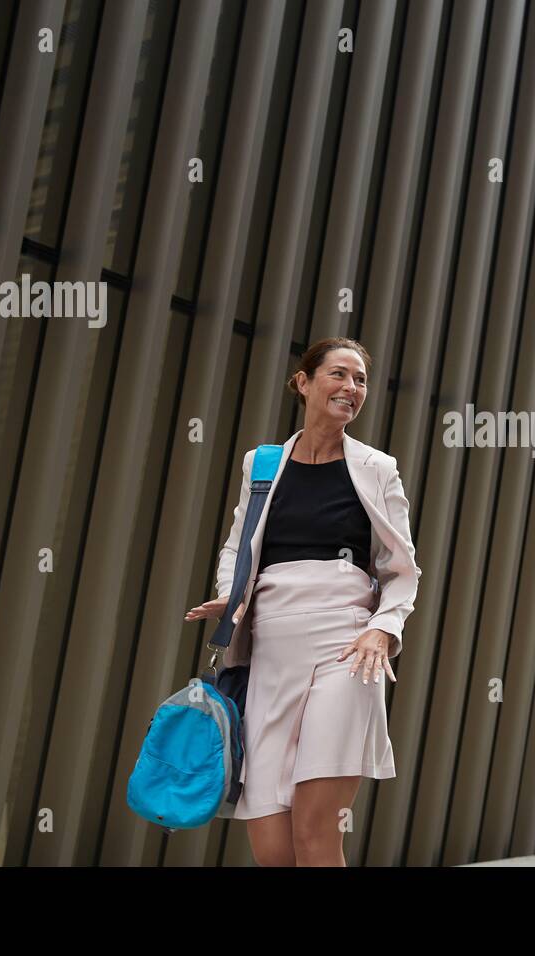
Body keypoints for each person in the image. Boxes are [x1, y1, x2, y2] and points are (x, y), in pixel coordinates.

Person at [185, 337, 421, 866]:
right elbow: (238, 543)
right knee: (272, 846)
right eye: (338, 375)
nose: (351, 388)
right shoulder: (262, 464)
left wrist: (383, 627)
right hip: (270, 652)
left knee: (315, 833)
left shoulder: (378, 468)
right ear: (304, 382)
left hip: (347, 649)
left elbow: (401, 570)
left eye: (360, 380)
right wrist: (234, 598)